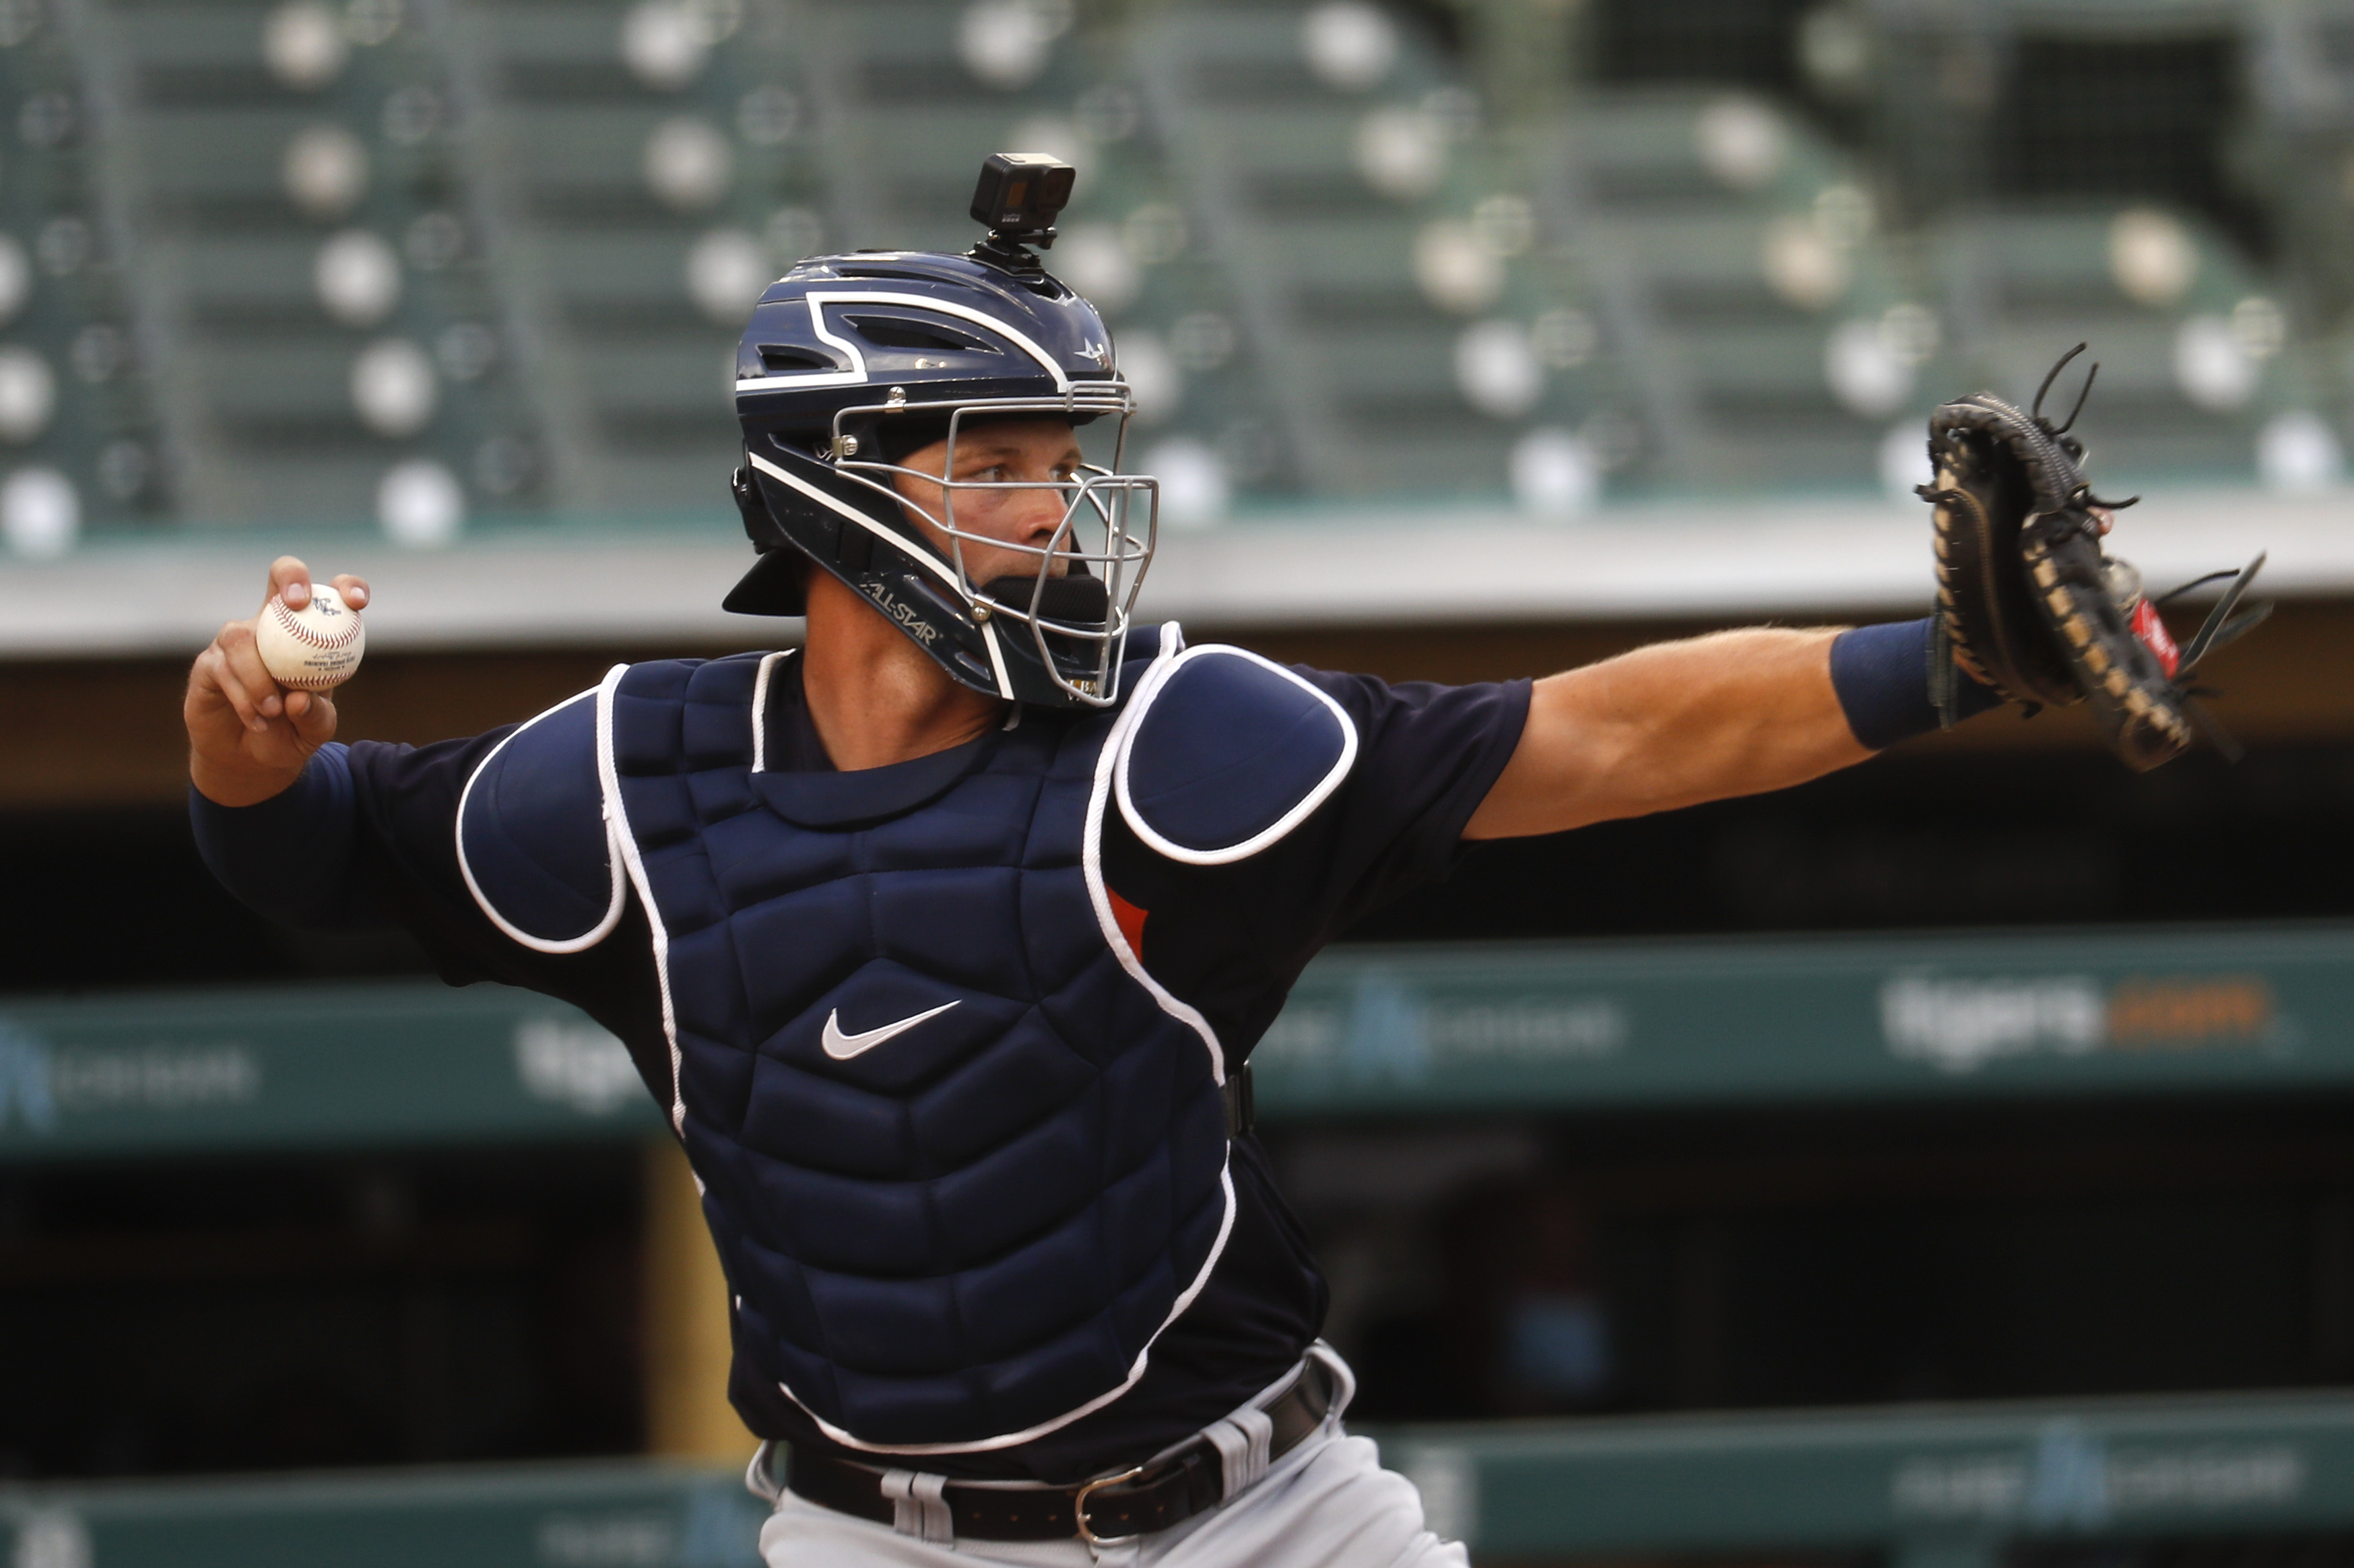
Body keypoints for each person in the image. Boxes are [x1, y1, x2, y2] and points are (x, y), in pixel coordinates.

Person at [185, 170, 2005, 1567]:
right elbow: (317, 850)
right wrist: (237, 744)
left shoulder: (1180, 733)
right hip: (870, 1534)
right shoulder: (629, 777)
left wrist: (1951, 661)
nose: (1064, 512)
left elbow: (1594, 738)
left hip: (1257, 1519)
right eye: (1006, 464)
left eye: (1074, 461)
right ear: (841, 482)